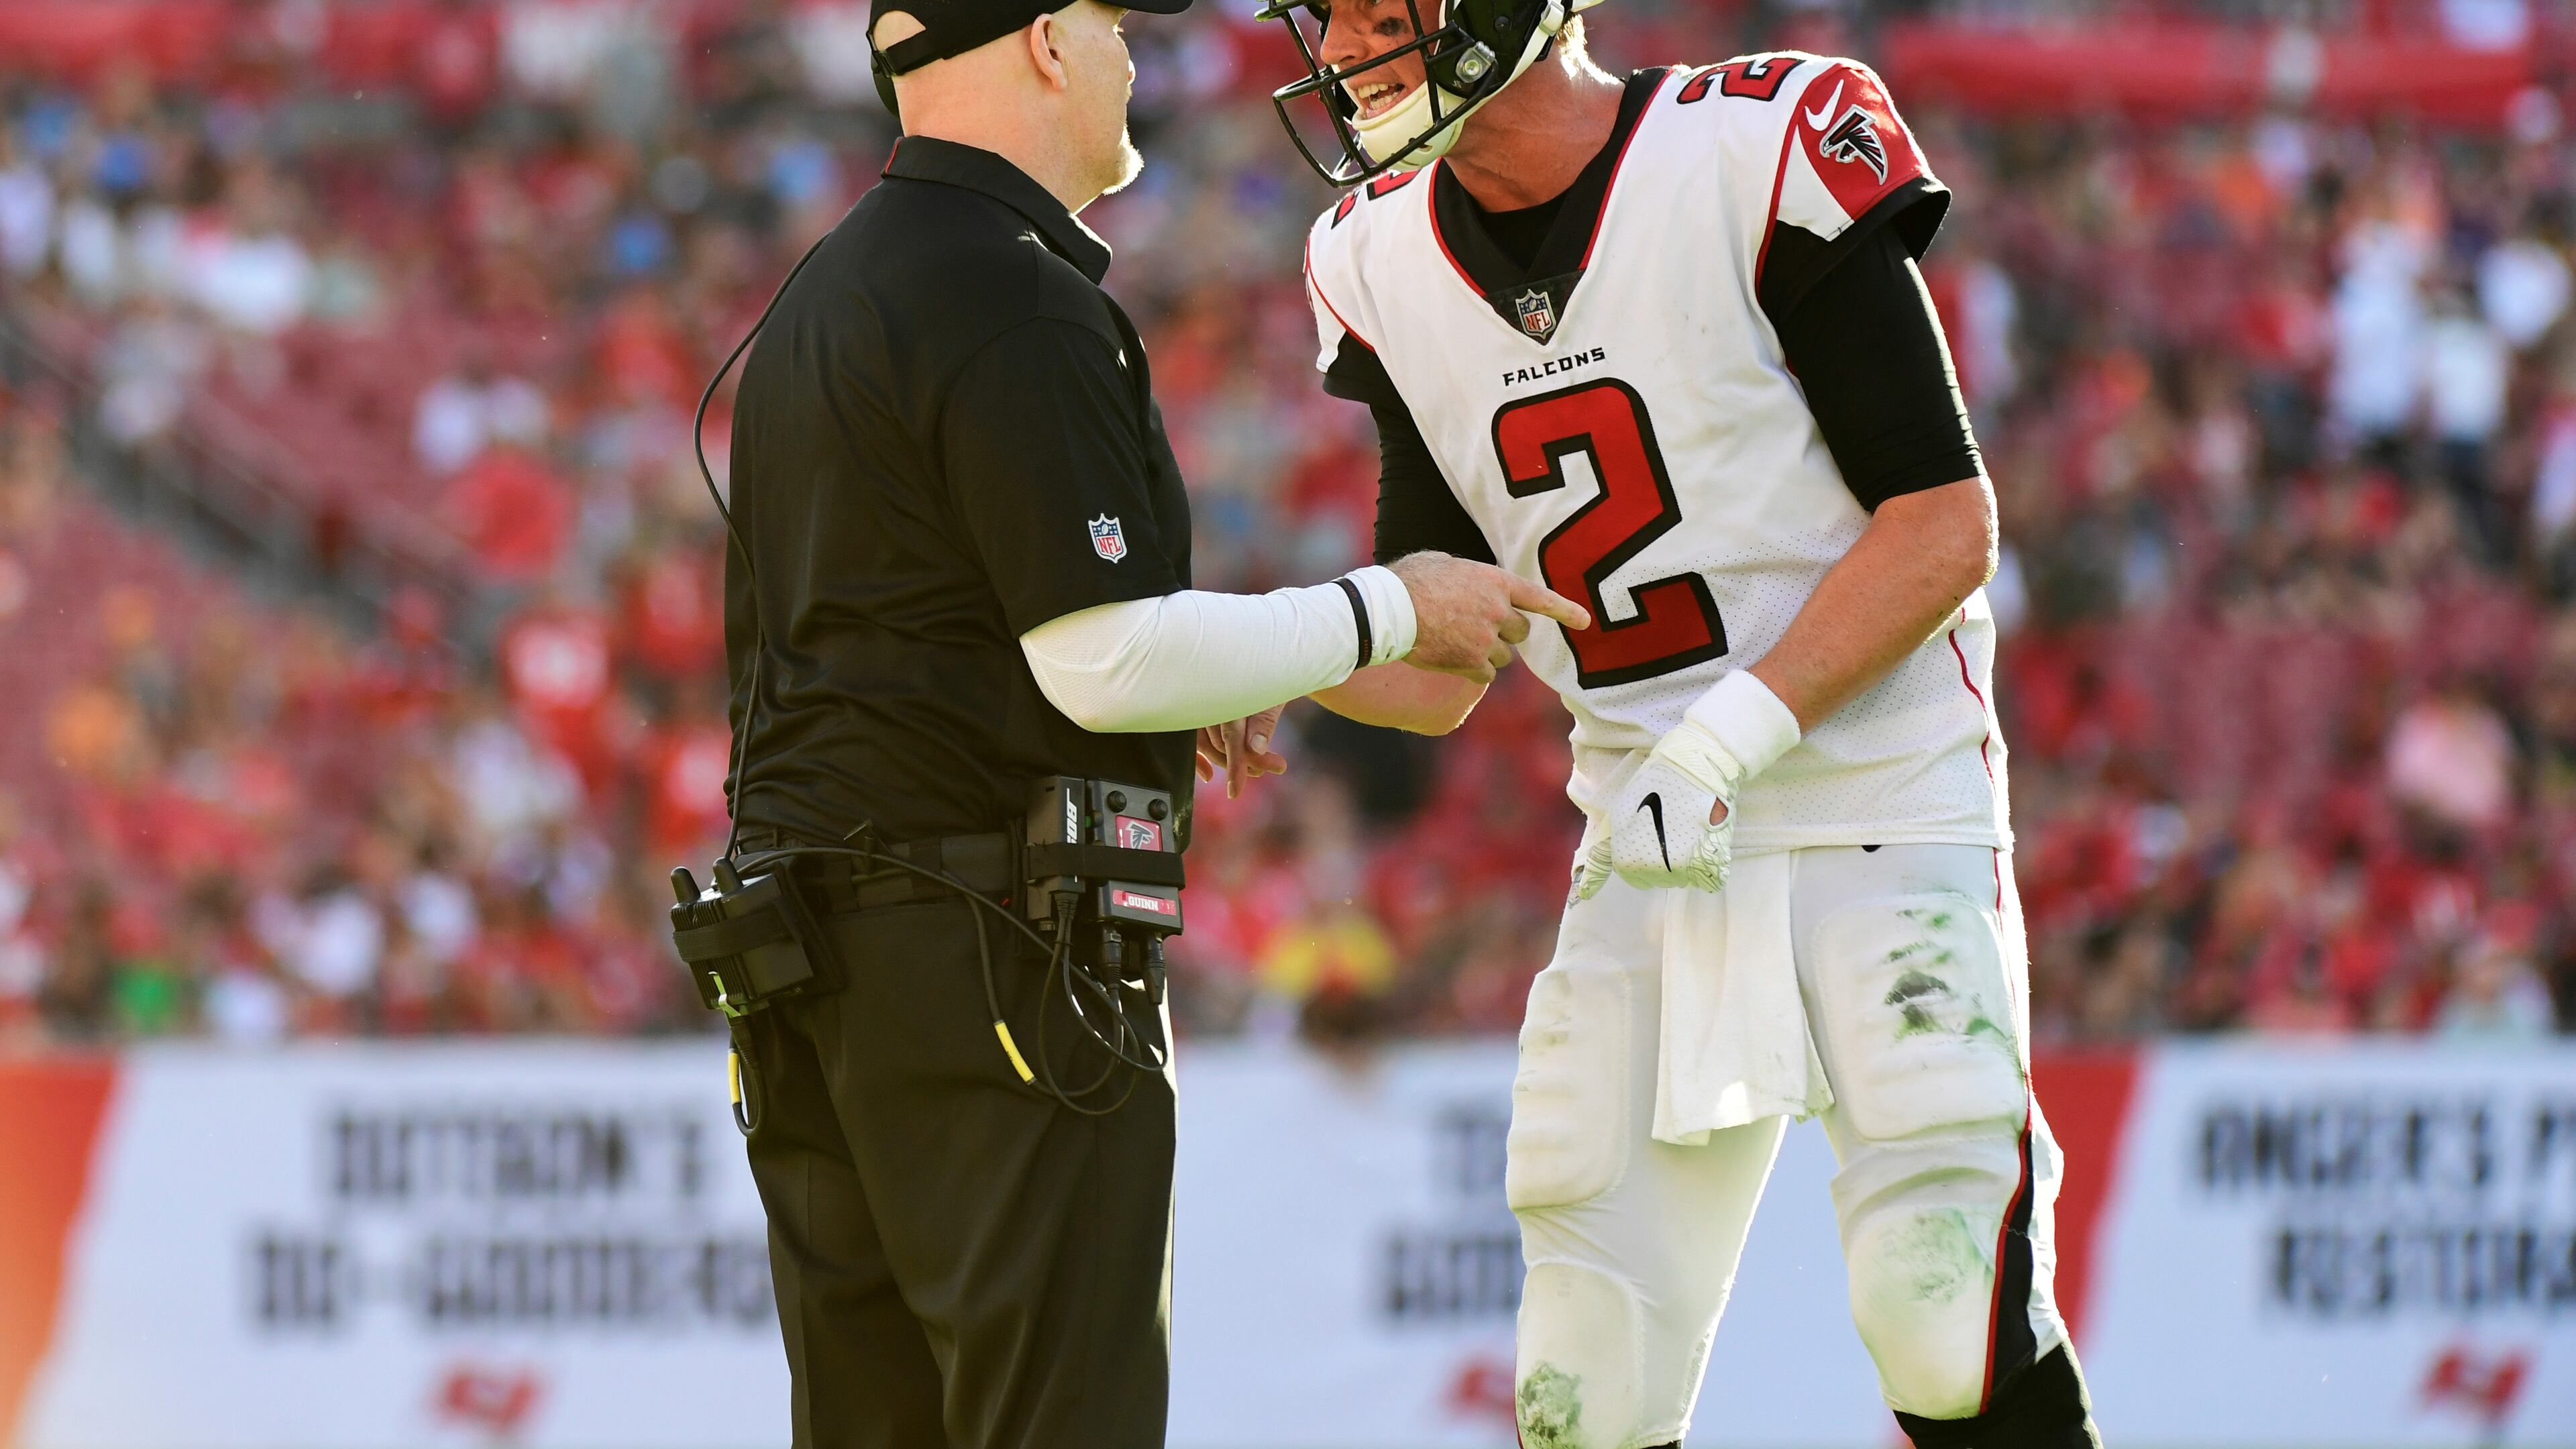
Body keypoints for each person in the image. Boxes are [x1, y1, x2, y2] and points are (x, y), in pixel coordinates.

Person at [713, 0, 1590, 1443]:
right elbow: (1103, 660)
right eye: (1115, 24)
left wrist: (1202, 679)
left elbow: (922, 632)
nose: (1139, 59)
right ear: (1049, 42)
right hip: (990, 953)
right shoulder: (1011, 289)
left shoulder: (824, 287)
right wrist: (1389, 608)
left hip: (811, 968)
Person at [1258, 1, 2103, 1445]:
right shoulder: (1376, 256)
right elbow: (1448, 643)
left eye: (1373, 2)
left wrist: (1724, 740)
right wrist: (1246, 661)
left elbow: (1944, 522)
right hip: (1649, 840)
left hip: (1877, 790)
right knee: (1583, 1381)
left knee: (1936, 1302)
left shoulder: (1753, 143)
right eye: (1320, 12)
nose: (1340, 43)